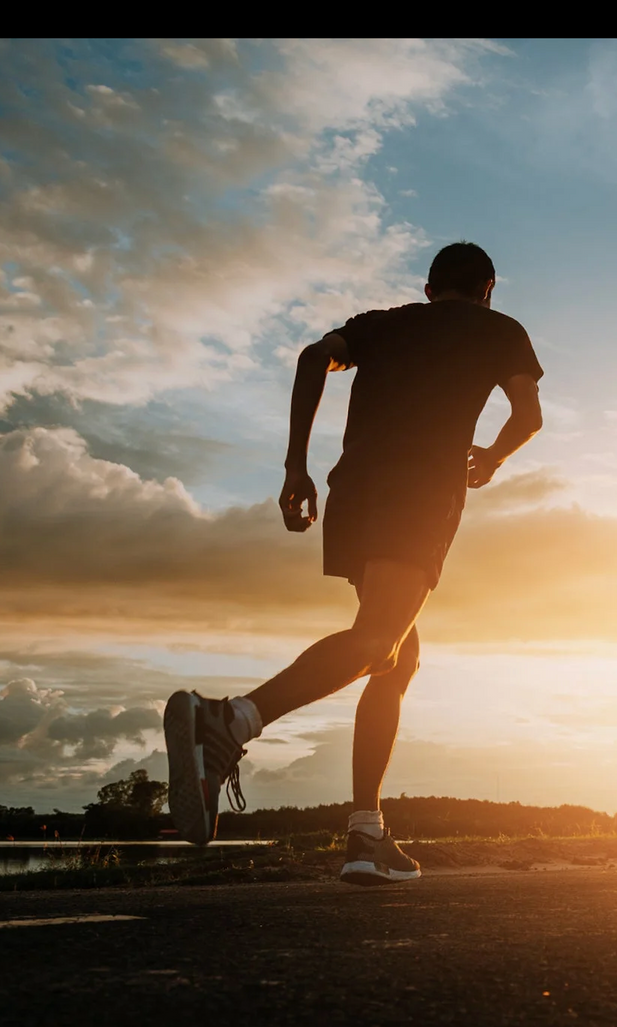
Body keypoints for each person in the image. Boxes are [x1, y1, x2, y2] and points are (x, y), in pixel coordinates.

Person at [162, 242, 543, 885]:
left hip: (354, 493)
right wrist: (495, 456)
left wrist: (294, 464)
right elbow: (528, 414)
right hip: (420, 495)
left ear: (427, 288)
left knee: (397, 654)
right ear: (487, 289)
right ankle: (230, 720)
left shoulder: (380, 324)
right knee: (377, 642)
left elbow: (314, 357)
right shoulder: (499, 330)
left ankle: (366, 834)